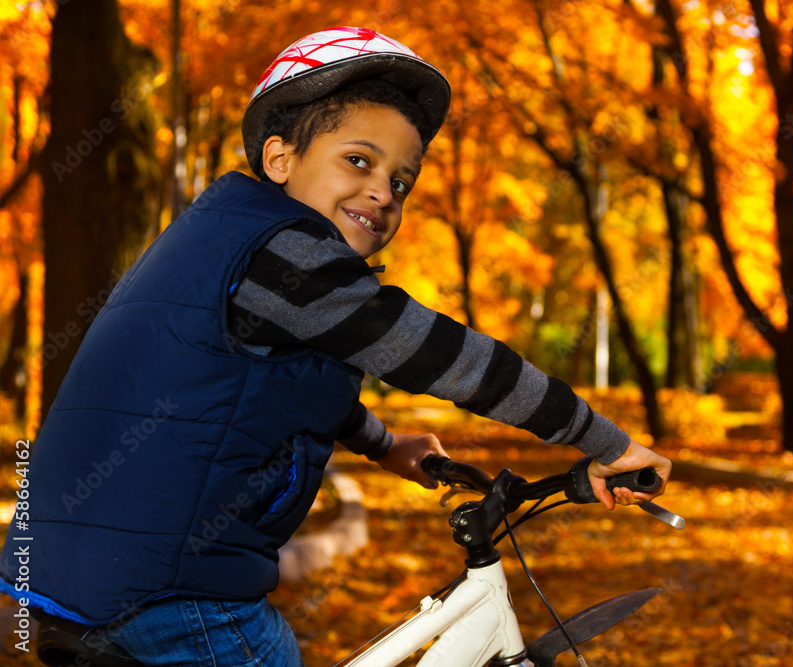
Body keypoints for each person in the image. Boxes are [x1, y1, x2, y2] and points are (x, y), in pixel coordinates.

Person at [0, 26, 672, 665]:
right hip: (166, 591)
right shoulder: (287, 257)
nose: (382, 189)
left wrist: (384, 444)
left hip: (65, 572)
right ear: (280, 158)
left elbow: (271, 381)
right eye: (359, 159)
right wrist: (604, 441)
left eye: (401, 181)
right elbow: (443, 355)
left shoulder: (225, 241)